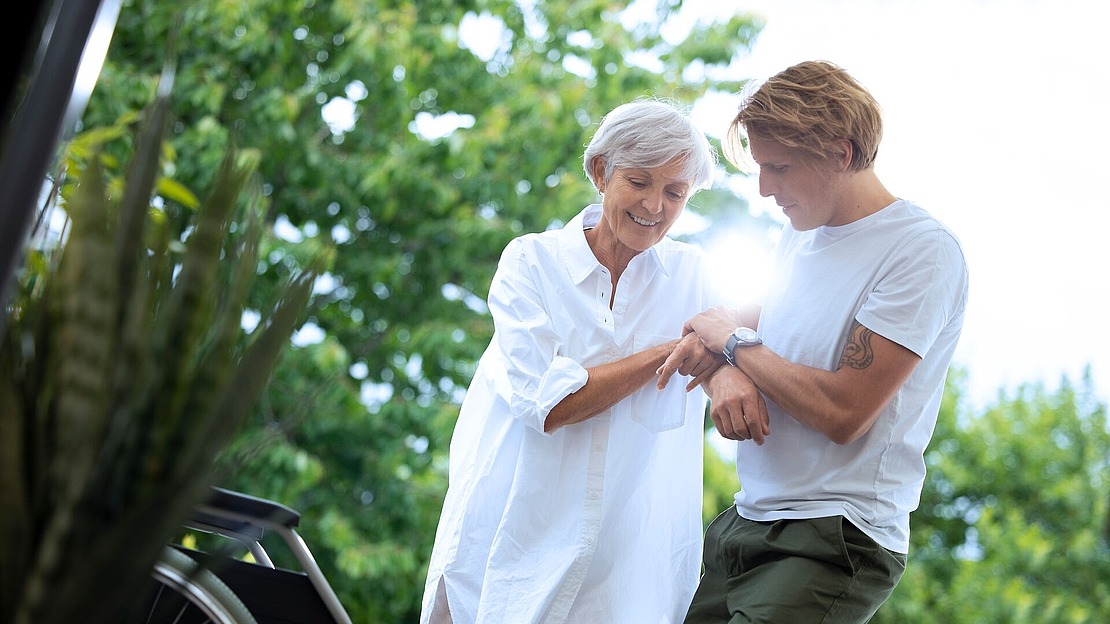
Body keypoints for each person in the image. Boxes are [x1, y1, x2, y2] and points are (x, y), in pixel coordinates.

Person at [420, 98, 766, 624]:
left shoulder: (696, 277)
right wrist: (670, 353)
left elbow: (767, 320)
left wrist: (727, 368)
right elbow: (551, 404)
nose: (655, 205)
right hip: (510, 548)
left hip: (625, 572)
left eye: (675, 192)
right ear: (602, 172)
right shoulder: (529, 262)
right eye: (639, 181)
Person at [658, 60, 970, 623]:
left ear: (841, 153)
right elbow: (718, 324)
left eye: (778, 168)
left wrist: (732, 345)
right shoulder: (800, 233)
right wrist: (726, 366)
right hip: (747, 520)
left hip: (834, 534)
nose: (763, 188)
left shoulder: (920, 251)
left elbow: (841, 410)